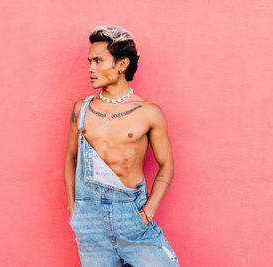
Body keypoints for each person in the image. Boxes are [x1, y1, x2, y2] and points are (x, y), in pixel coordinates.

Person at [64, 25, 180, 267]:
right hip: (89, 220)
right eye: (90, 61)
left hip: (131, 216)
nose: (90, 68)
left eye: (98, 60)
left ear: (122, 64)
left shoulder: (149, 113)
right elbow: (71, 158)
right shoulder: (81, 109)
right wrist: (73, 208)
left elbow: (166, 165)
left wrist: (148, 211)